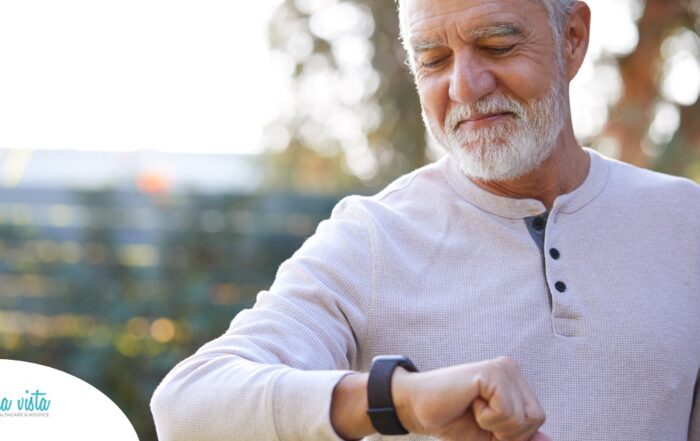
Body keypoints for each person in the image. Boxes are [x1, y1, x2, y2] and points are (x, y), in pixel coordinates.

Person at [151, 0, 700, 439]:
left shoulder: (685, 223)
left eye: (497, 44)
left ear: (573, 38)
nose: (464, 86)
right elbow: (188, 406)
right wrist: (400, 399)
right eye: (433, 59)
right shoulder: (371, 239)